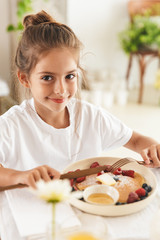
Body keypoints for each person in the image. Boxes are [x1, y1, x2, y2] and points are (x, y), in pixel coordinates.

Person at [0, 10, 160, 240]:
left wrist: (153, 147)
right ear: (25, 79)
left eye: (69, 76)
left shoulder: (90, 116)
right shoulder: (12, 125)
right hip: (38, 226)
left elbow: (135, 140)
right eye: (47, 77)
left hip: (90, 226)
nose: (61, 90)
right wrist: (21, 176)